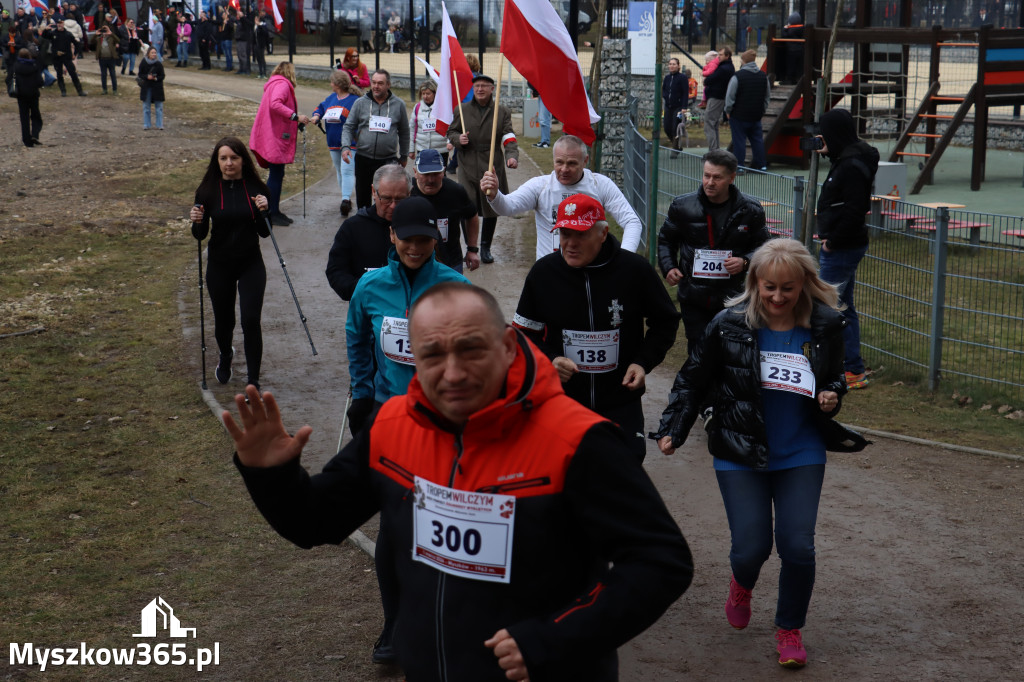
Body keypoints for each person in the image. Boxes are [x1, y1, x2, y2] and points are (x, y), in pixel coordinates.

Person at [226, 282, 694, 681]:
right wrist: (271, 475)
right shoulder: (392, 426)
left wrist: (553, 638)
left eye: (470, 349)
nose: (453, 373)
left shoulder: (577, 439)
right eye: (432, 354)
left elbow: (660, 561)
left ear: (507, 346)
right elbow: (316, 522)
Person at [654, 238, 867, 670]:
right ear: (754, 283)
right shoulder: (728, 325)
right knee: (751, 547)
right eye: (769, 287)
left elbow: (833, 378)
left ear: (804, 284)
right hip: (739, 448)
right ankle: (742, 583)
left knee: (798, 547)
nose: (778, 297)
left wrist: (831, 394)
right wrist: (674, 428)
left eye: (788, 288)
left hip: (801, 449)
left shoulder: (826, 324)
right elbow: (693, 379)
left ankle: (789, 629)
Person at [513, 194, 680, 462]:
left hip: (620, 400)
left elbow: (666, 320)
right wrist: (549, 360)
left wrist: (642, 362)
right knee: (567, 471)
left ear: (603, 233)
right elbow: (522, 334)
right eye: (564, 234)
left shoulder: (634, 270)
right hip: (562, 399)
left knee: (625, 471)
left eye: (580, 235)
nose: (570, 243)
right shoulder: (543, 273)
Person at [657, 149, 769, 352]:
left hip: (733, 296)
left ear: (731, 178)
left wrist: (745, 261)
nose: (709, 182)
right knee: (699, 350)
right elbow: (666, 240)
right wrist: (669, 266)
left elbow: (764, 247)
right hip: (693, 296)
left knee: (730, 351)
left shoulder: (750, 210)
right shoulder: (682, 206)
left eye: (717, 177)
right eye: (706, 175)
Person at [189, 137, 272, 389]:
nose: (229, 163)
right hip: (219, 265)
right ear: (217, 161)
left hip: (250, 263)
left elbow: (265, 232)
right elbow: (200, 235)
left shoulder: (257, 188)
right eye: (223, 158)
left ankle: (253, 381)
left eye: (234, 158)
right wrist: (196, 220)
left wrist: (265, 211)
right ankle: (226, 354)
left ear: (243, 160)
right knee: (224, 322)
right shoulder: (207, 190)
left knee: (250, 320)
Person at [481, 134, 641, 260]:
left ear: (585, 161)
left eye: (572, 163)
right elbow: (508, 207)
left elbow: (631, 221)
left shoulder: (600, 184)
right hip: (551, 274)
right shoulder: (540, 186)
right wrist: (495, 194)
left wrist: (624, 258)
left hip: (591, 273)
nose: (564, 169)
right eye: (559, 162)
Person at [814, 107, 879, 390]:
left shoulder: (852, 166)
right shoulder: (847, 159)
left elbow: (855, 208)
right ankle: (852, 367)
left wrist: (833, 241)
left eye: (825, 134)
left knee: (826, 306)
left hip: (841, 247)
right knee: (843, 306)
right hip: (843, 244)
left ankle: (834, 365)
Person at [447, 73, 519, 264]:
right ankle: (471, 247)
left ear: (492, 89)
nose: (479, 89)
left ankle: (486, 247)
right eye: (477, 86)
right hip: (467, 163)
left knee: (491, 203)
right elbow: (451, 131)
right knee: (467, 204)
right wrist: (458, 139)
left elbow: (508, 135)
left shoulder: (501, 111)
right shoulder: (461, 109)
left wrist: (512, 156)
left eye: (484, 86)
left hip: (492, 163)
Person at [325, 163, 411, 301]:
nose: (393, 206)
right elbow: (336, 271)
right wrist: (363, 289)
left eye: (400, 199)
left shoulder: (417, 225)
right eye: (386, 198)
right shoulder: (352, 227)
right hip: (366, 304)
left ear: (409, 194)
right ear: (373, 192)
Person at [249, 61, 310, 226]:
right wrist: (295, 117)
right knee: (276, 174)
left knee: (277, 173)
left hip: (272, 134)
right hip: (274, 137)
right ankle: (271, 212)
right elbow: (275, 104)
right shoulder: (282, 85)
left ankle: (274, 209)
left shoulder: (274, 83)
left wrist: (295, 121)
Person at [341, 69, 409, 211]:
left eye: (380, 83)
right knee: (363, 199)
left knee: (386, 198)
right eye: (373, 83)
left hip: (388, 160)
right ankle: (364, 222)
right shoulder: (360, 103)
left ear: (388, 85)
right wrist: (345, 147)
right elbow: (348, 126)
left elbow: (404, 132)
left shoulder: (399, 104)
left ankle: (386, 223)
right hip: (363, 158)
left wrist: (404, 155)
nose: (376, 86)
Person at [410, 149, 480, 273]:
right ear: (415, 173)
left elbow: (472, 215)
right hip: (416, 263)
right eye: (425, 174)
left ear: (443, 171)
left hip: (451, 262)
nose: (431, 180)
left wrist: (472, 249)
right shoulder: (407, 192)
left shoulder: (456, 191)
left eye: (436, 174)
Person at [310, 69, 360, 216]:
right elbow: (320, 107)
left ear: (337, 84)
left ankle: (345, 200)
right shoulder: (331, 98)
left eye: (332, 82)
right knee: (339, 170)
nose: (330, 84)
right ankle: (346, 198)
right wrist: (316, 116)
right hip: (333, 141)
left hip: (350, 142)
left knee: (347, 170)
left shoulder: (354, 100)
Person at [725, 49, 771, 171]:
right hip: (756, 115)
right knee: (757, 140)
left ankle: (740, 166)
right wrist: (762, 110)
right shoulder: (763, 76)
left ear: (743, 61)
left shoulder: (737, 76)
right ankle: (761, 165)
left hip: (739, 115)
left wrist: (728, 110)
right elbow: (767, 97)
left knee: (739, 141)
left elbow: (730, 97)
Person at [409, 80, 450, 167]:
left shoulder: (444, 108)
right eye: (423, 94)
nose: (425, 96)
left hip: (441, 151)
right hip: (422, 150)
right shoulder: (417, 107)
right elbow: (412, 129)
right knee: (422, 174)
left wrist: (450, 142)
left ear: (435, 93)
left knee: (439, 174)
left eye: (428, 93)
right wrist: (411, 149)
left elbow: (451, 127)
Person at [43, 17, 85, 97]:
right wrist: (46, 29)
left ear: (63, 24)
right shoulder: (53, 33)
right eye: (58, 23)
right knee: (59, 75)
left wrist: (75, 54)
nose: (59, 25)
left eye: (61, 23)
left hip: (66, 57)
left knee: (73, 73)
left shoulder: (68, 34)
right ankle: (63, 91)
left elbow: (77, 44)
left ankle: (80, 91)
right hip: (57, 57)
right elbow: (44, 36)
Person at [704, 47, 734, 150]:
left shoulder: (723, 69)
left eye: (721, 55)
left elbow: (708, 80)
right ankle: (715, 148)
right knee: (714, 123)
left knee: (709, 122)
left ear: (727, 56)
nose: (718, 57)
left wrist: (706, 79)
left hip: (717, 97)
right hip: (719, 97)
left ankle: (713, 149)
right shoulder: (726, 67)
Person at [13, 47, 44, 148]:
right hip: (33, 93)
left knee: (24, 117)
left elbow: (10, 79)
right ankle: (35, 134)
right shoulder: (34, 66)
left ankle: (26, 140)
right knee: (35, 115)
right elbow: (40, 82)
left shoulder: (15, 66)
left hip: (21, 94)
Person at [662, 57, 688, 147]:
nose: (671, 66)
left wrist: (684, 107)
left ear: (678, 66)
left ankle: (675, 148)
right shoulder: (667, 78)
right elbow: (664, 89)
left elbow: (685, 93)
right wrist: (665, 96)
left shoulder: (682, 78)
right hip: (668, 106)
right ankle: (674, 142)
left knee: (675, 127)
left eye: (674, 64)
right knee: (666, 128)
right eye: (670, 64)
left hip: (678, 107)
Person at [138, 46, 165, 130]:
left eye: (155, 53)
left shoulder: (158, 63)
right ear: (148, 54)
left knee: (159, 107)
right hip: (146, 87)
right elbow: (140, 74)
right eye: (152, 53)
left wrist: (155, 78)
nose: (154, 54)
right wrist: (147, 77)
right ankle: (147, 124)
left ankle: (159, 125)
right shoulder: (144, 62)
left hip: (157, 88)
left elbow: (162, 76)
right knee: (146, 107)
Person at [93, 23, 118, 94]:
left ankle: (114, 90)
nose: (104, 33)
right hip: (102, 59)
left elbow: (118, 40)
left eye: (105, 31)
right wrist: (96, 34)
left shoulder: (111, 38)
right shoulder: (99, 38)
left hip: (111, 59)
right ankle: (104, 89)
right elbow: (92, 42)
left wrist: (111, 33)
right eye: (103, 31)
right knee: (103, 75)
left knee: (113, 74)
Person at [780, 12, 804, 85]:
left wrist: (784, 29)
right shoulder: (802, 29)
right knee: (798, 66)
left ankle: (790, 80)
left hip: (791, 50)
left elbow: (784, 36)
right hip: (800, 50)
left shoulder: (790, 30)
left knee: (791, 66)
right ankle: (798, 79)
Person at [233, 8, 251, 75]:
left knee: (243, 55)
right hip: (238, 39)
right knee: (239, 55)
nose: (237, 16)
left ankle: (244, 69)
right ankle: (241, 68)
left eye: (239, 14)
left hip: (243, 40)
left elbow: (245, 23)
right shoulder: (238, 22)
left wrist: (242, 16)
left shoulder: (244, 21)